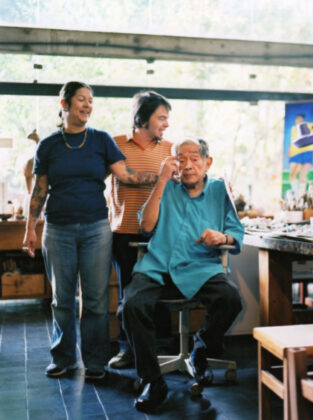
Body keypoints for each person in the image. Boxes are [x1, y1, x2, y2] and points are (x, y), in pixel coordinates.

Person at [22, 81, 160, 380]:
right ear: (65, 105)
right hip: (57, 229)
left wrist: (161, 177)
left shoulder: (101, 140)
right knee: (62, 298)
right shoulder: (48, 145)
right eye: (81, 100)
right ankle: (63, 358)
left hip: (97, 229)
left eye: (90, 100)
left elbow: (126, 175)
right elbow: (39, 191)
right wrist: (30, 229)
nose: (87, 105)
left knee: (96, 299)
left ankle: (96, 361)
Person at [122, 137, 244, 412]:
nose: (187, 165)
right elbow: (146, 226)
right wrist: (162, 181)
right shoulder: (166, 187)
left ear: (207, 162)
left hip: (199, 268)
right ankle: (152, 380)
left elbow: (235, 234)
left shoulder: (219, 190)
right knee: (131, 305)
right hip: (157, 267)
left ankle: (201, 350)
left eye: (194, 158)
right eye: (181, 159)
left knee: (231, 298)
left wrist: (220, 235)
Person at [108, 91, 173, 369]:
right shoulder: (116, 144)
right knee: (129, 295)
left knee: (158, 293)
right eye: (161, 117)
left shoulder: (170, 148)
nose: (166, 123)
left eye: (167, 118)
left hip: (159, 233)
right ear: (143, 117)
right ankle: (129, 350)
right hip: (124, 232)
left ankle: (162, 350)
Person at [288, 114, 313, 194]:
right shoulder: (294, 130)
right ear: (296, 120)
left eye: (301, 119)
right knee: (293, 175)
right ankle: (296, 193)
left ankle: (301, 194)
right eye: (298, 119)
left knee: (302, 175)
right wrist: (289, 151)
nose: (299, 121)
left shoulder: (307, 129)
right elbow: (292, 141)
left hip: (306, 153)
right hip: (296, 153)